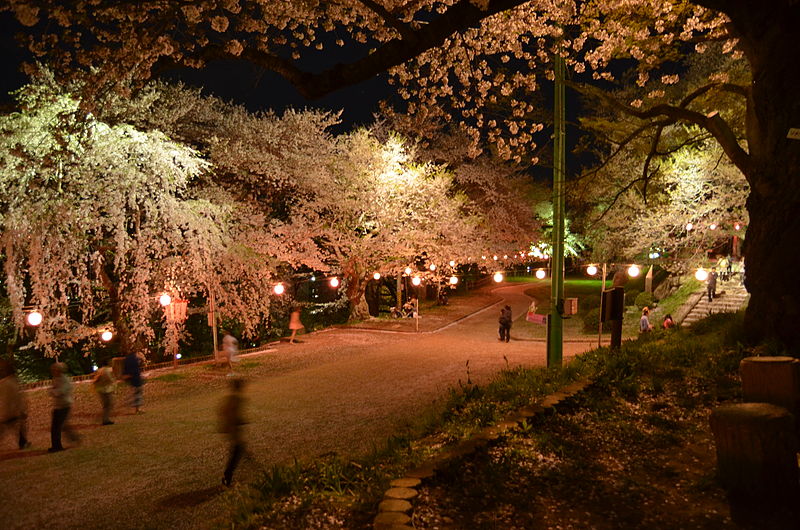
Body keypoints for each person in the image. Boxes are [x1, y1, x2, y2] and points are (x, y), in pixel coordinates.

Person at [218, 377, 248, 486]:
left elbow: (223, 411)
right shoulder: (236, 399)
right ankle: (227, 476)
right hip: (233, 430)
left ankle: (228, 475)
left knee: (237, 451)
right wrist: (237, 422)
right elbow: (231, 414)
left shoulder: (232, 398)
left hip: (231, 429)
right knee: (237, 451)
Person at [0, 359, 31, 450]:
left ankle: (23, 442)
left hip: (9, 411)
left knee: (17, 427)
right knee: (16, 427)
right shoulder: (10, 382)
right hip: (11, 411)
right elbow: (16, 398)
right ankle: (23, 442)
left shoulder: (6, 382)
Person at [49, 362, 79, 452]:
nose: (53, 371)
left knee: (57, 427)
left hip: (64, 405)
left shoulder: (65, 380)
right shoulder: (56, 379)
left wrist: (53, 392)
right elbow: (53, 390)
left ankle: (57, 446)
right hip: (58, 405)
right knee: (60, 426)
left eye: (55, 370)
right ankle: (73, 438)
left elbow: (61, 391)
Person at [92, 359, 116, 425]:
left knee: (106, 405)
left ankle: (105, 418)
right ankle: (105, 419)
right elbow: (110, 379)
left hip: (100, 389)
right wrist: (114, 382)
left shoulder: (99, 370)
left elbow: (95, 379)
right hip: (106, 389)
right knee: (108, 404)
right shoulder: (108, 370)